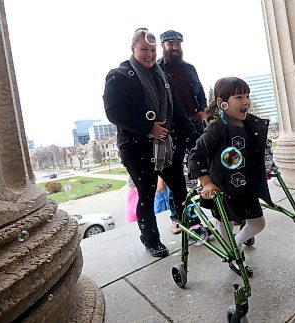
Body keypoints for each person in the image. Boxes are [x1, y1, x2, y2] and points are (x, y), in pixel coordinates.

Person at [103, 28, 195, 258]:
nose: (149, 54)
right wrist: (148, 128)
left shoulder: (164, 76)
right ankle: (151, 240)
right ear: (133, 49)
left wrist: (194, 134)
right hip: (136, 146)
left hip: (165, 142)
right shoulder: (119, 75)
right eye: (144, 49)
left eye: (152, 50)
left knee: (180, 188)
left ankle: (191, 226)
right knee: (147, 192)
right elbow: (113, 112)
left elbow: (178, 109)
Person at [189, 77, 273, 276]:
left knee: (258, 223)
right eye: (239, 97)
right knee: (225, 228)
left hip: (246, 188)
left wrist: (260, 172)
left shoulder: (250, 126)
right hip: (222, 191)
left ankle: (236, 244)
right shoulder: (217, 128)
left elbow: (249, 157)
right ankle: (233, 255)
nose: (246, 101)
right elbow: (196, 156)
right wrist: (207, 183)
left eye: (247, 96)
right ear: (222, 103)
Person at [157, 29, 208, 234]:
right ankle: (178, 217)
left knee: (207, 166)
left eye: (178, 44)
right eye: (171, 44)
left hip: (195, 125)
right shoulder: (157, 69)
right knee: (175, 175)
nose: (175, 47)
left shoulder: (190, 68)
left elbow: (201, 92)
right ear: (163, 46)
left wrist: (202, 111)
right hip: (173, 129)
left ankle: (220, 208)